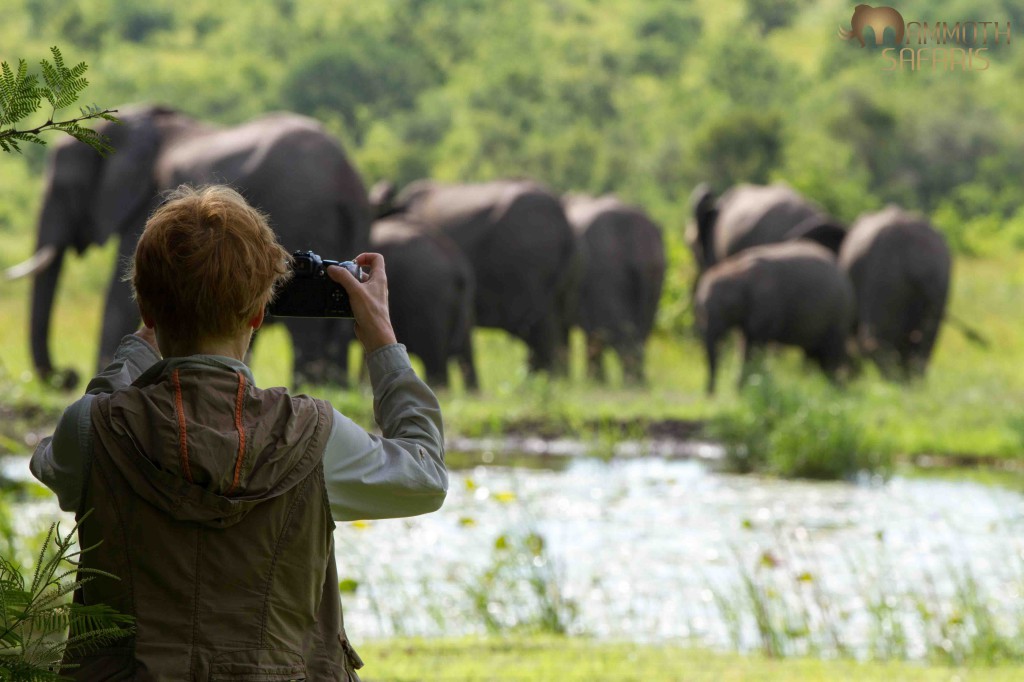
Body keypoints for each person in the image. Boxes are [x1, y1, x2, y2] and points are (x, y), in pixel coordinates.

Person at [30, 185, 448, 680]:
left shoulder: (91, 430)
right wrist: (382, 340)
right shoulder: (315, 436)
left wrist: (142, 343)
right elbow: (425, 476)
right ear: (258, 314)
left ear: (145, 308)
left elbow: (69, 445)